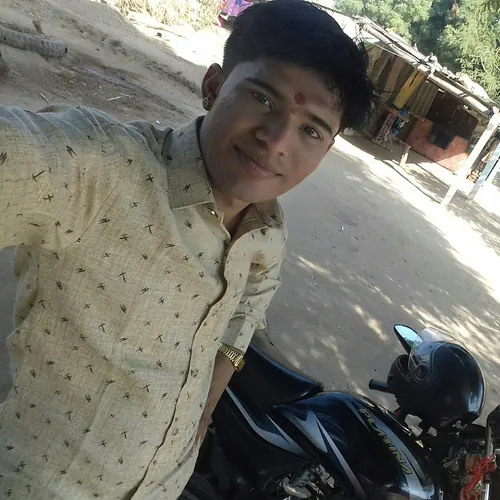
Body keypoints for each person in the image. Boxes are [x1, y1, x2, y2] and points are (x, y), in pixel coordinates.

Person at [0, 0, 375, 498]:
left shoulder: (267, 230)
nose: (276, 140)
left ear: (325, 151)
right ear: (213, 86)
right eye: (263, 98)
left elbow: (241, 319)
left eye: (310, 129)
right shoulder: (98, 168)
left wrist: (203, 410)